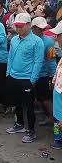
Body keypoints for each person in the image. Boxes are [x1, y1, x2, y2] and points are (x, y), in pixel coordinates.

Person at [6, 13, 44, 143]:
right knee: (17, 104)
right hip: (13, 76)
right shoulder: (14, 39)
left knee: (29, 106)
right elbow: (10, 56)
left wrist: (33, 79)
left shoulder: (37, 42)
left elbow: (38, 62)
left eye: (21, 26)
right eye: (16, 26)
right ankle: (19, 124)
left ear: (29, 25)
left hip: (27, 79)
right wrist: (8, 72)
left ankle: (31, 131)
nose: (18, 29)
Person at [31, 17, 57, 126]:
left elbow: (51, 60)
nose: (41, 31)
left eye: (43, 29)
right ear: (33, 28)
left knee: (45, 99)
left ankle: (52, 117)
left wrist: (52, 76)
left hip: (43, 74)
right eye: (39, 29)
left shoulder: (49, 42)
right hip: (30, 73)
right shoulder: (28, 39)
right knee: (38, 98)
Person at [50, 21, 62, 149]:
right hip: (57, 98)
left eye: (58, 36)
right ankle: (58, 139)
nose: (56, 39)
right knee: (57, 122)